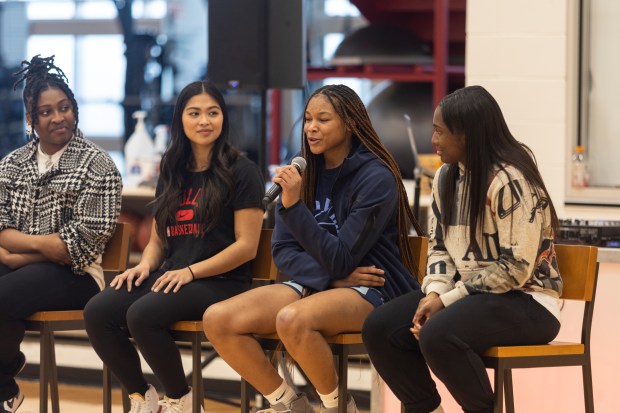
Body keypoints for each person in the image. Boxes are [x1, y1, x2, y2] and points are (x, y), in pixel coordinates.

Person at [203, 84, 422, 413]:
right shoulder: (303, 173)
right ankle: (290, 406)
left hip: (374, 286)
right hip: (328, 282)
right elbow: (284, 253)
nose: (311, 128)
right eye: (307, 119)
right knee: (218, 319)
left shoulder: (376, 178)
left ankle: (338, 407)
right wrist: (329, 280)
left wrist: (293, 209)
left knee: (292, 320)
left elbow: (342, 258)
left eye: (323, 119)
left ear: (349, 124)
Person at [362, 85, 563, 413]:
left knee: (438, 334)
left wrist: (446, 300)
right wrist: (433, 294)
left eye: (440, 131)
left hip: (528, 301)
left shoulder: (511, 182)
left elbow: (515, 269)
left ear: (467, 135)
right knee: (379, 328)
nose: (433, 140)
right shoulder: (444, 178)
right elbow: (438, 247)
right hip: (468, 296)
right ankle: (426, 408)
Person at [83, 80, 265, 413]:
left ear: (223, 118)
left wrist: (191, 271)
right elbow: (157, 239)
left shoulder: (243, 171)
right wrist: (144, 266)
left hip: (222, 283)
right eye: (194, 113)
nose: (204, 121)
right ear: (181, 119)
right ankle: (144, 397)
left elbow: (247, 247)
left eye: (213, 113)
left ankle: (180, 399)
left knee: (142, 314)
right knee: (98, 311)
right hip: (174, 277)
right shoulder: (172, 169)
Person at [0, 54, 122, 412]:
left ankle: (3, 385)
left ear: (75, 109)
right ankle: (5, 381)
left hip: (78, 277)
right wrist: (34, 247)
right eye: (46, 111)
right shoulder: (12, 165)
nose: (58, 118)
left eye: (65, 107)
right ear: (31, 119)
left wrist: (14, 253)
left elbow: (75, 247)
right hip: (25, 270)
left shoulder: (98, 165)